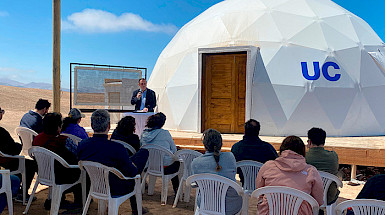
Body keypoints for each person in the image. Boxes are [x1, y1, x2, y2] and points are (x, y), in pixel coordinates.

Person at [78, 109, 149, 215]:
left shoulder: (83, 145)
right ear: (109, 126)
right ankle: (136, 208)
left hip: (95, 184)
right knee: (142, 154)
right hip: (117, 187)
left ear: (92, 126)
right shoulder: (117, 148)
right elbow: (132, 173)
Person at [256, 136, 324, 215]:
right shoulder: (311, 171)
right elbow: (318, 200)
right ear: (302, 151)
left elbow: (259, 191)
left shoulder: (268, 166)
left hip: (269, 211)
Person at [32, 112, 82, 210]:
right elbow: (78, 154)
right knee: (83, 174)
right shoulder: (63, 140)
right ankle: (79, 203)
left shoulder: (37, 139)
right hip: (62, 177)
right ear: (58, 127)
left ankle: (56, 200)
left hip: (43, 174)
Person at [191, 129, 242, 215]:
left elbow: (194, 184)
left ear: (204, 144)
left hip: (206, 205)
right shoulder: (230, 157)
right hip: (230, 207)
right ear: (221, 144)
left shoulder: (196, 162)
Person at [0, 107, 37, 203]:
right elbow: (12, 149)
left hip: (4, 159)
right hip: (6, 159)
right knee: (30, 164)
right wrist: (19, 147)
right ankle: (22, 194)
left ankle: (15, 190)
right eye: (2, 112)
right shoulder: (1, 132)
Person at [140, 112, 180, 195]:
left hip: (149, 165)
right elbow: (174, 149)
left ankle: (149, 190)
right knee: (177, 162)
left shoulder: (143, 134)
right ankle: (177, 189)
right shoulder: (165, 133)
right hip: (165, 166)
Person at [231, 119, 278, 184]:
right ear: (258, 131)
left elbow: (233, 167)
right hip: (262, 186)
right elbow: (276, 166)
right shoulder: (267, 148)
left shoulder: (236, 148)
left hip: (245, 184)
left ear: (245, 131)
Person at [305, 127, 339, 205]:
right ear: (323, 142)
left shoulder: (304, 157)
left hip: (309, 196)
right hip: (329, 196)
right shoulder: (333, 156)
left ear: (309, 142)